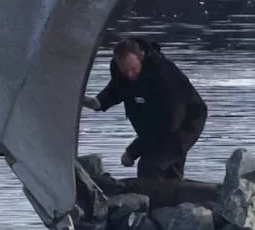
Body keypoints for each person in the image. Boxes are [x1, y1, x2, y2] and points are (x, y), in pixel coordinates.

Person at [82, 37, 208, 180]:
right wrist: (95, 103)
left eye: (133, 69)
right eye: (125, 71)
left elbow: (165, 126)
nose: (129, 75)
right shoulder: (122, 73)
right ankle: (174, 196)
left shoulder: (163, 74)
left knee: (151, 164)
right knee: (165, 167)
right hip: (156, 125)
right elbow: (116, 91)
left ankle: (154, 199)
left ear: (141, 56)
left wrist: (132, 152)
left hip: (185, 121)